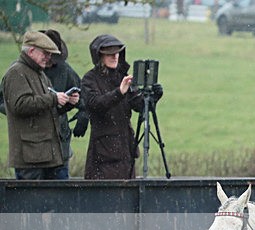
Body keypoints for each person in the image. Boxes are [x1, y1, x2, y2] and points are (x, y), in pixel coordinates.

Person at [1, 31, 80, 180]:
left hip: (45, 156)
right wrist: (54, 98)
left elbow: (48, 109)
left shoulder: (39, 74)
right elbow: (20, 105)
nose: (49, 58)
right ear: (31, 51)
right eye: (45, 53)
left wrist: (68, 103)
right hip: (29, 159)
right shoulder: (16, 73)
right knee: (31, 202)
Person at [81, 34, 155, 180]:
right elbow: (96, 104)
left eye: (117, 53)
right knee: (105, 199)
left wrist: (151, 97)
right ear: (99, 56)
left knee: (127, 199)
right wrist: (119, 92)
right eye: (109, 54)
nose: (115, 57)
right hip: (103, 155)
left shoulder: (123, 77)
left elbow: (139, 106)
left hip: (126, 151)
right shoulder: (90, 79)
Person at [40, 29, 83, 180]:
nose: (50, 60)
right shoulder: (23, 72)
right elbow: (8, 102)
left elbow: (83, 95)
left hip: (60, 145)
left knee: (62, 197)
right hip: (32, 147)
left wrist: (80, 109)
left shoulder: (64, 70)